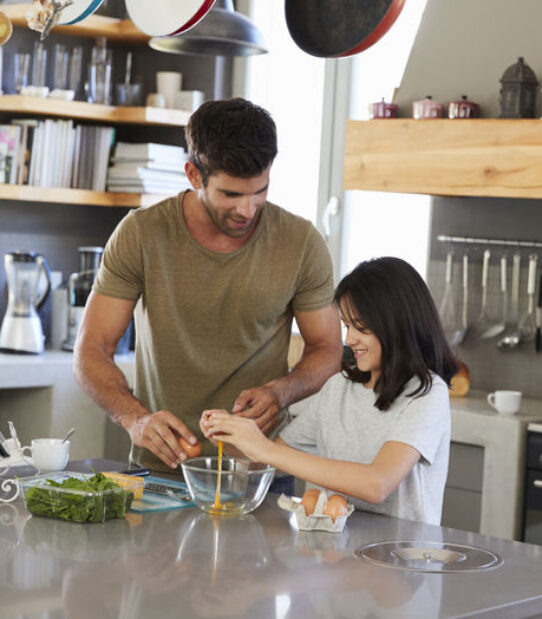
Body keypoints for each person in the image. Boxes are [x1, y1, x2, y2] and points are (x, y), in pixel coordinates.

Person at [73, 98, 342, 484]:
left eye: (260, 191)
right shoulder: (141, 234)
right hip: (161, 472)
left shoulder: (301, 242)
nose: (248, 210)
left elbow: (328, 348)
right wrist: (134, 419)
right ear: (194, 176)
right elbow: (90, 350)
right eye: (231, 195)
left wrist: (281, 391)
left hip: (261, 473)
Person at [201, 256, 458, 524]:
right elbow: (266, 463)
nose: (349, 339)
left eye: (361, 328)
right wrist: (231, 439)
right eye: (347, 325)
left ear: (398, 324)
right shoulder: (339, 388)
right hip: (335, 555)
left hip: (400, 558)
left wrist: (263, 447)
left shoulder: (427, 394)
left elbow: (377, 484)